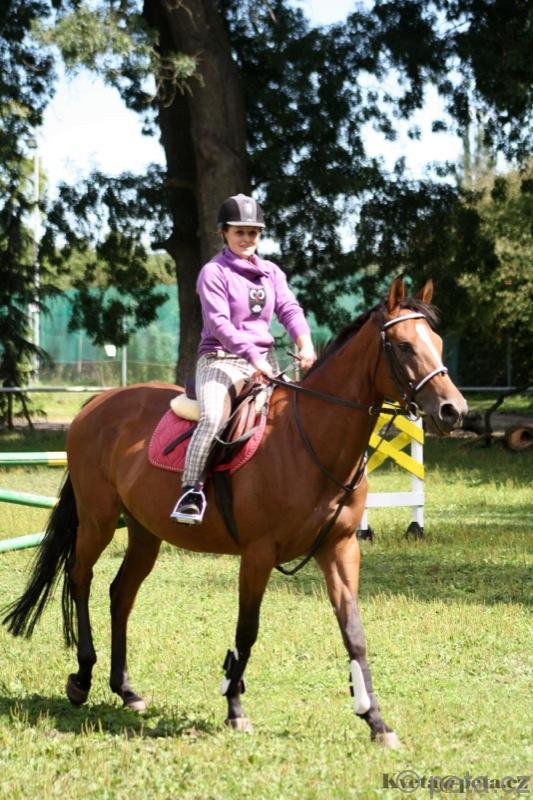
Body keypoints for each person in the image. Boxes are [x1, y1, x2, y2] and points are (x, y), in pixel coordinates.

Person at [170, 193, 316, 525]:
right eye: (240, 232)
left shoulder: (271, 272)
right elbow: (219, 325)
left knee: (299, 415)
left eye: (253, 232)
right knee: (213, 418)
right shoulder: (213, 272)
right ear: (224, 232)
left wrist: (305, 343)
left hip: (265, 362)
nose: (247, 239)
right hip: (219, 360)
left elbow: (289, 309)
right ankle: (190, 491)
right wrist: (253, 357)